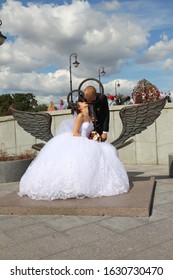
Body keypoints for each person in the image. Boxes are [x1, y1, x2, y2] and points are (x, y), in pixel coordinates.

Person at [18, 101, 129, 200]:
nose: (83, 102)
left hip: (88, 140)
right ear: (79, 107)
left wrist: (96, 138)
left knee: (106, 153)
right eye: (81, 102)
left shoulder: (90, 116)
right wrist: (86, 141)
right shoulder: (80, 116)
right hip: (79, 140)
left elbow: (91, 132)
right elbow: (75, 132)